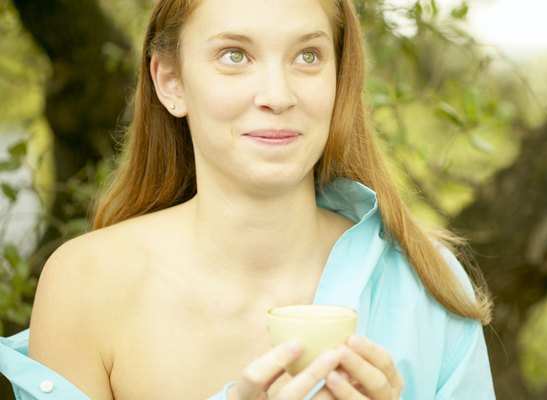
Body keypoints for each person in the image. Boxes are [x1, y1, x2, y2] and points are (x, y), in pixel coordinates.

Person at [0, 0, 495, 398]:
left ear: (339, 77)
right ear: (171, 82)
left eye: (308, 56)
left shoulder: (430, 285)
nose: (277, 95)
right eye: (234, 55)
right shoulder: (87, 286)